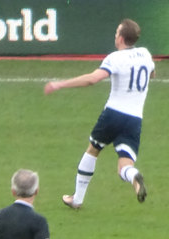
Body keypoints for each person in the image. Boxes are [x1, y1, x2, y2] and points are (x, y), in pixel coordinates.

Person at [44, 18, 154, 209]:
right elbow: (152, 74)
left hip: (113, 114)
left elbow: (93, 79)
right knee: (124, 165)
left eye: (116, 33)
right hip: (135, 119)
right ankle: (133, 175)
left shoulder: (115, 58)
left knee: (93, 150)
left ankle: (77, 199)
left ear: (120, 38)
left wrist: (60, 84)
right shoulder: (145, 54)